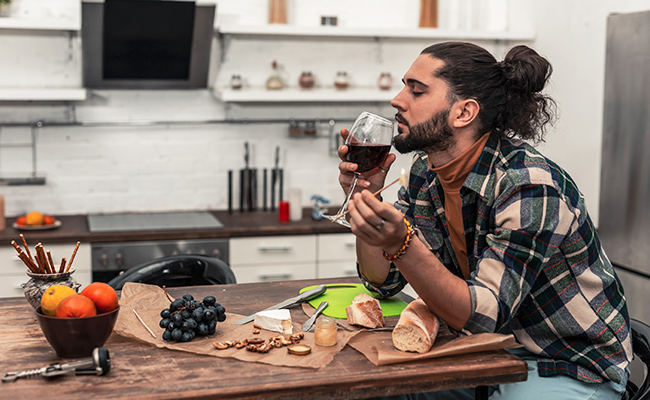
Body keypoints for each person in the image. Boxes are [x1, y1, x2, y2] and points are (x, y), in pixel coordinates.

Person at [336, 42, 632, 399]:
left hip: (566, 363)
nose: (398, 100)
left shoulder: (528, 185)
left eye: (416, 90)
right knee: (374, 390)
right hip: (481, 349)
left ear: (464, 113)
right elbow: (382, 281)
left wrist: (401, 243)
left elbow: (483, 315)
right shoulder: (425, 174)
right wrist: (363, 197)